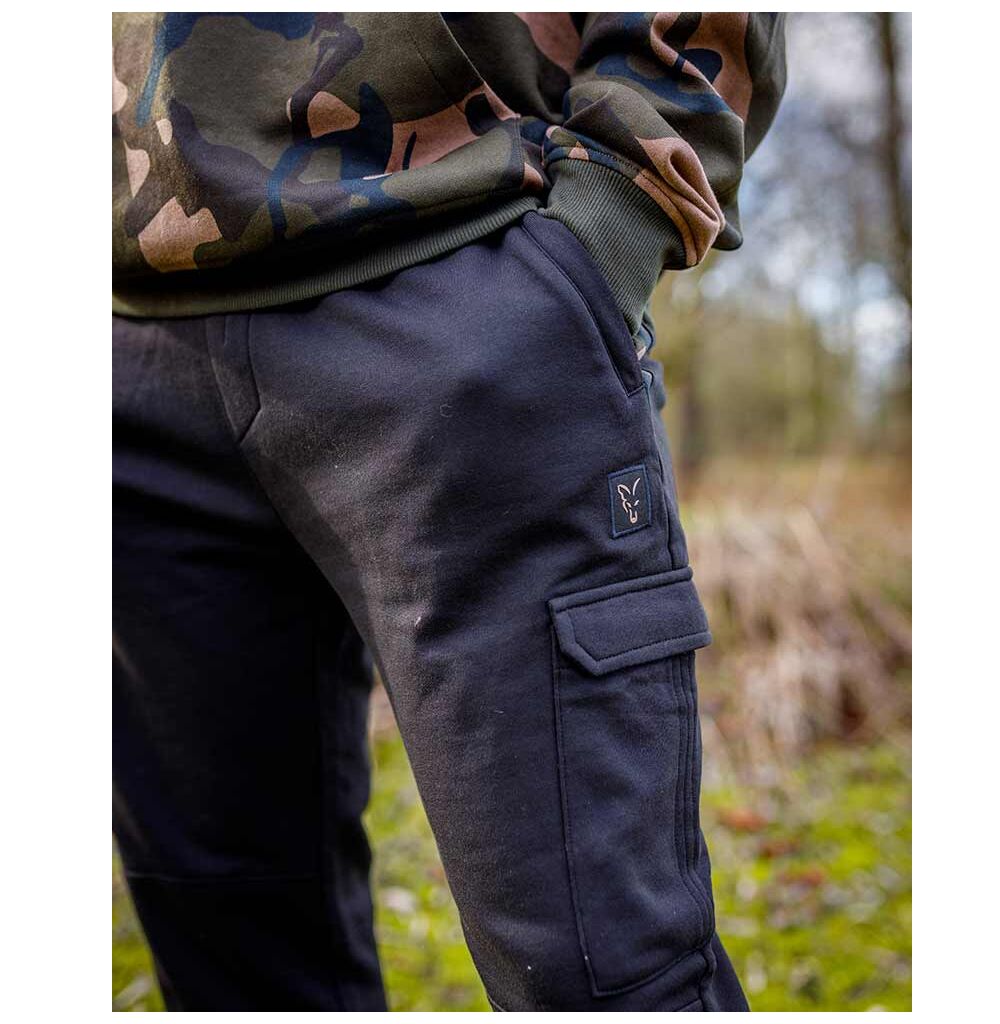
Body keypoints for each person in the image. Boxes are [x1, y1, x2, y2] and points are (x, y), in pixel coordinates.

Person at [113, 12, 786, 1012]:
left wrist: (611, 219)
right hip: (131, 345)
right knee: (230, 964)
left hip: (460, 294)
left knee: (603, 972)